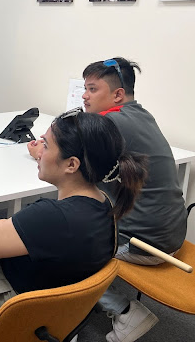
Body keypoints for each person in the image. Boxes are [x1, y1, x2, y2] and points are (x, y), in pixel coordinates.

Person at [0, 110, 146, 342]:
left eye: (46, 145)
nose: (39, 150)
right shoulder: (105, 206)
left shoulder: (50, 216)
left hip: (6, 312)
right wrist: (11, 225)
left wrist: (8, 225)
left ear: (71, 165)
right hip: (50, 315)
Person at [27, 57, 187, 342]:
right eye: (85, 88)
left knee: (56, 245)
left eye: (92, 89)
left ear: (117, 95)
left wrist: (41, 151)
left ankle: (123, 312)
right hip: (173, 232)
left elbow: (69, 166)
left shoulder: (110, 123)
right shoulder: (141, 115)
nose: (84, 96)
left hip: (144, 242)